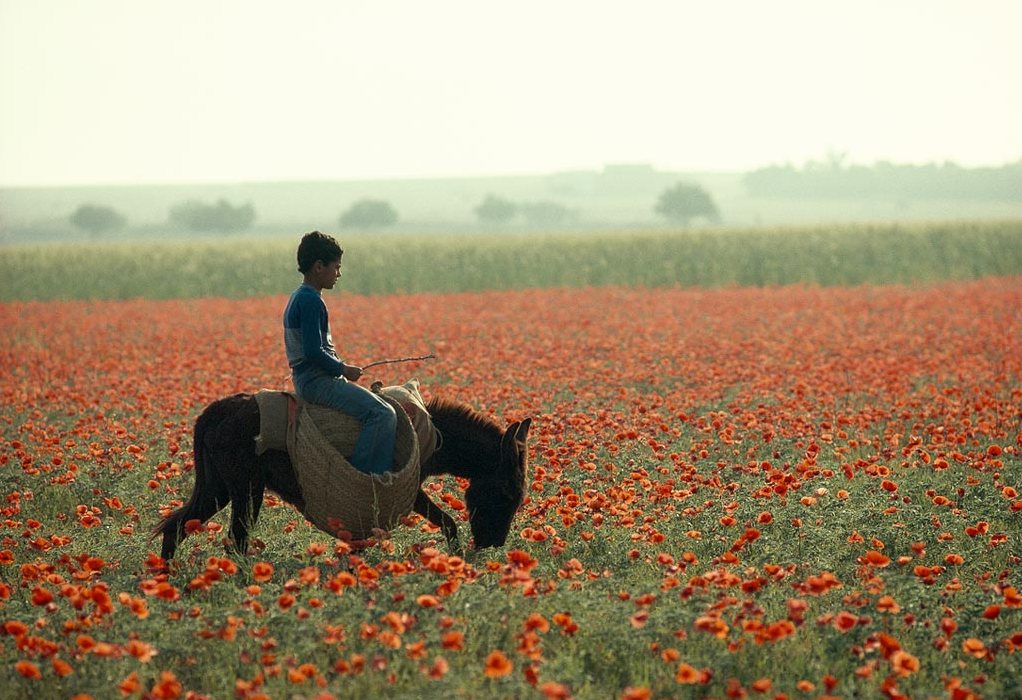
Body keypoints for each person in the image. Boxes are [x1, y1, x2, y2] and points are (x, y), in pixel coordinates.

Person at [283, 231, 396, 474]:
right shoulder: (311, 301)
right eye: (336, 267)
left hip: (309, 379)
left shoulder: (300, 296)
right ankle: (363, 478)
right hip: (315, 381)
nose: (339, 274)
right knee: (382, 413)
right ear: (319, 266)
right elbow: (313, 352)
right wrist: (343, 369)